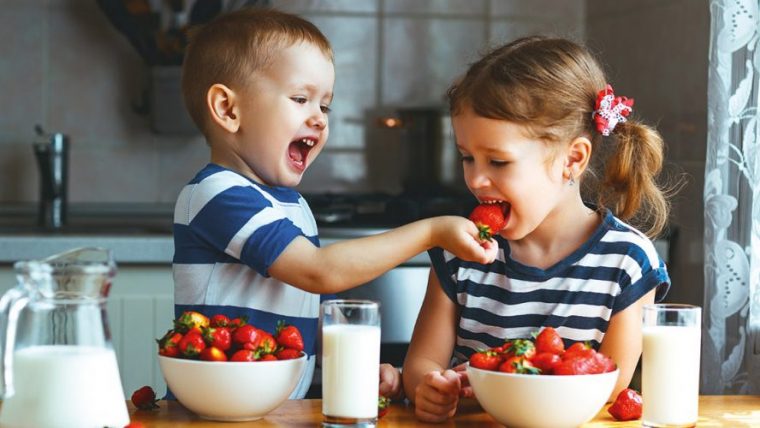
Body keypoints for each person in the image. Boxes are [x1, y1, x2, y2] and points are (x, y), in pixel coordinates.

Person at [172, 7, 497, 400]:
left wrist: (353, 365)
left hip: (272, 410)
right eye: (300, 99)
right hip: (215, 411)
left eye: (324, 106)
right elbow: (318, 272)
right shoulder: (217, 193)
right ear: (228, 109)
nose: (321, 119)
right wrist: (431, 231)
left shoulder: (290, 205)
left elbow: (308, 311)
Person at [401, 35, 674, 423]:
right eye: (467, 157)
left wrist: (500, 390)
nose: (476, 179)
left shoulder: (627, 261)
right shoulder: (458, 252)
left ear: (572, 159)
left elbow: (608, 385)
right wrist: (430, 387)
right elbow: (421, 364)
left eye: (497, 161)